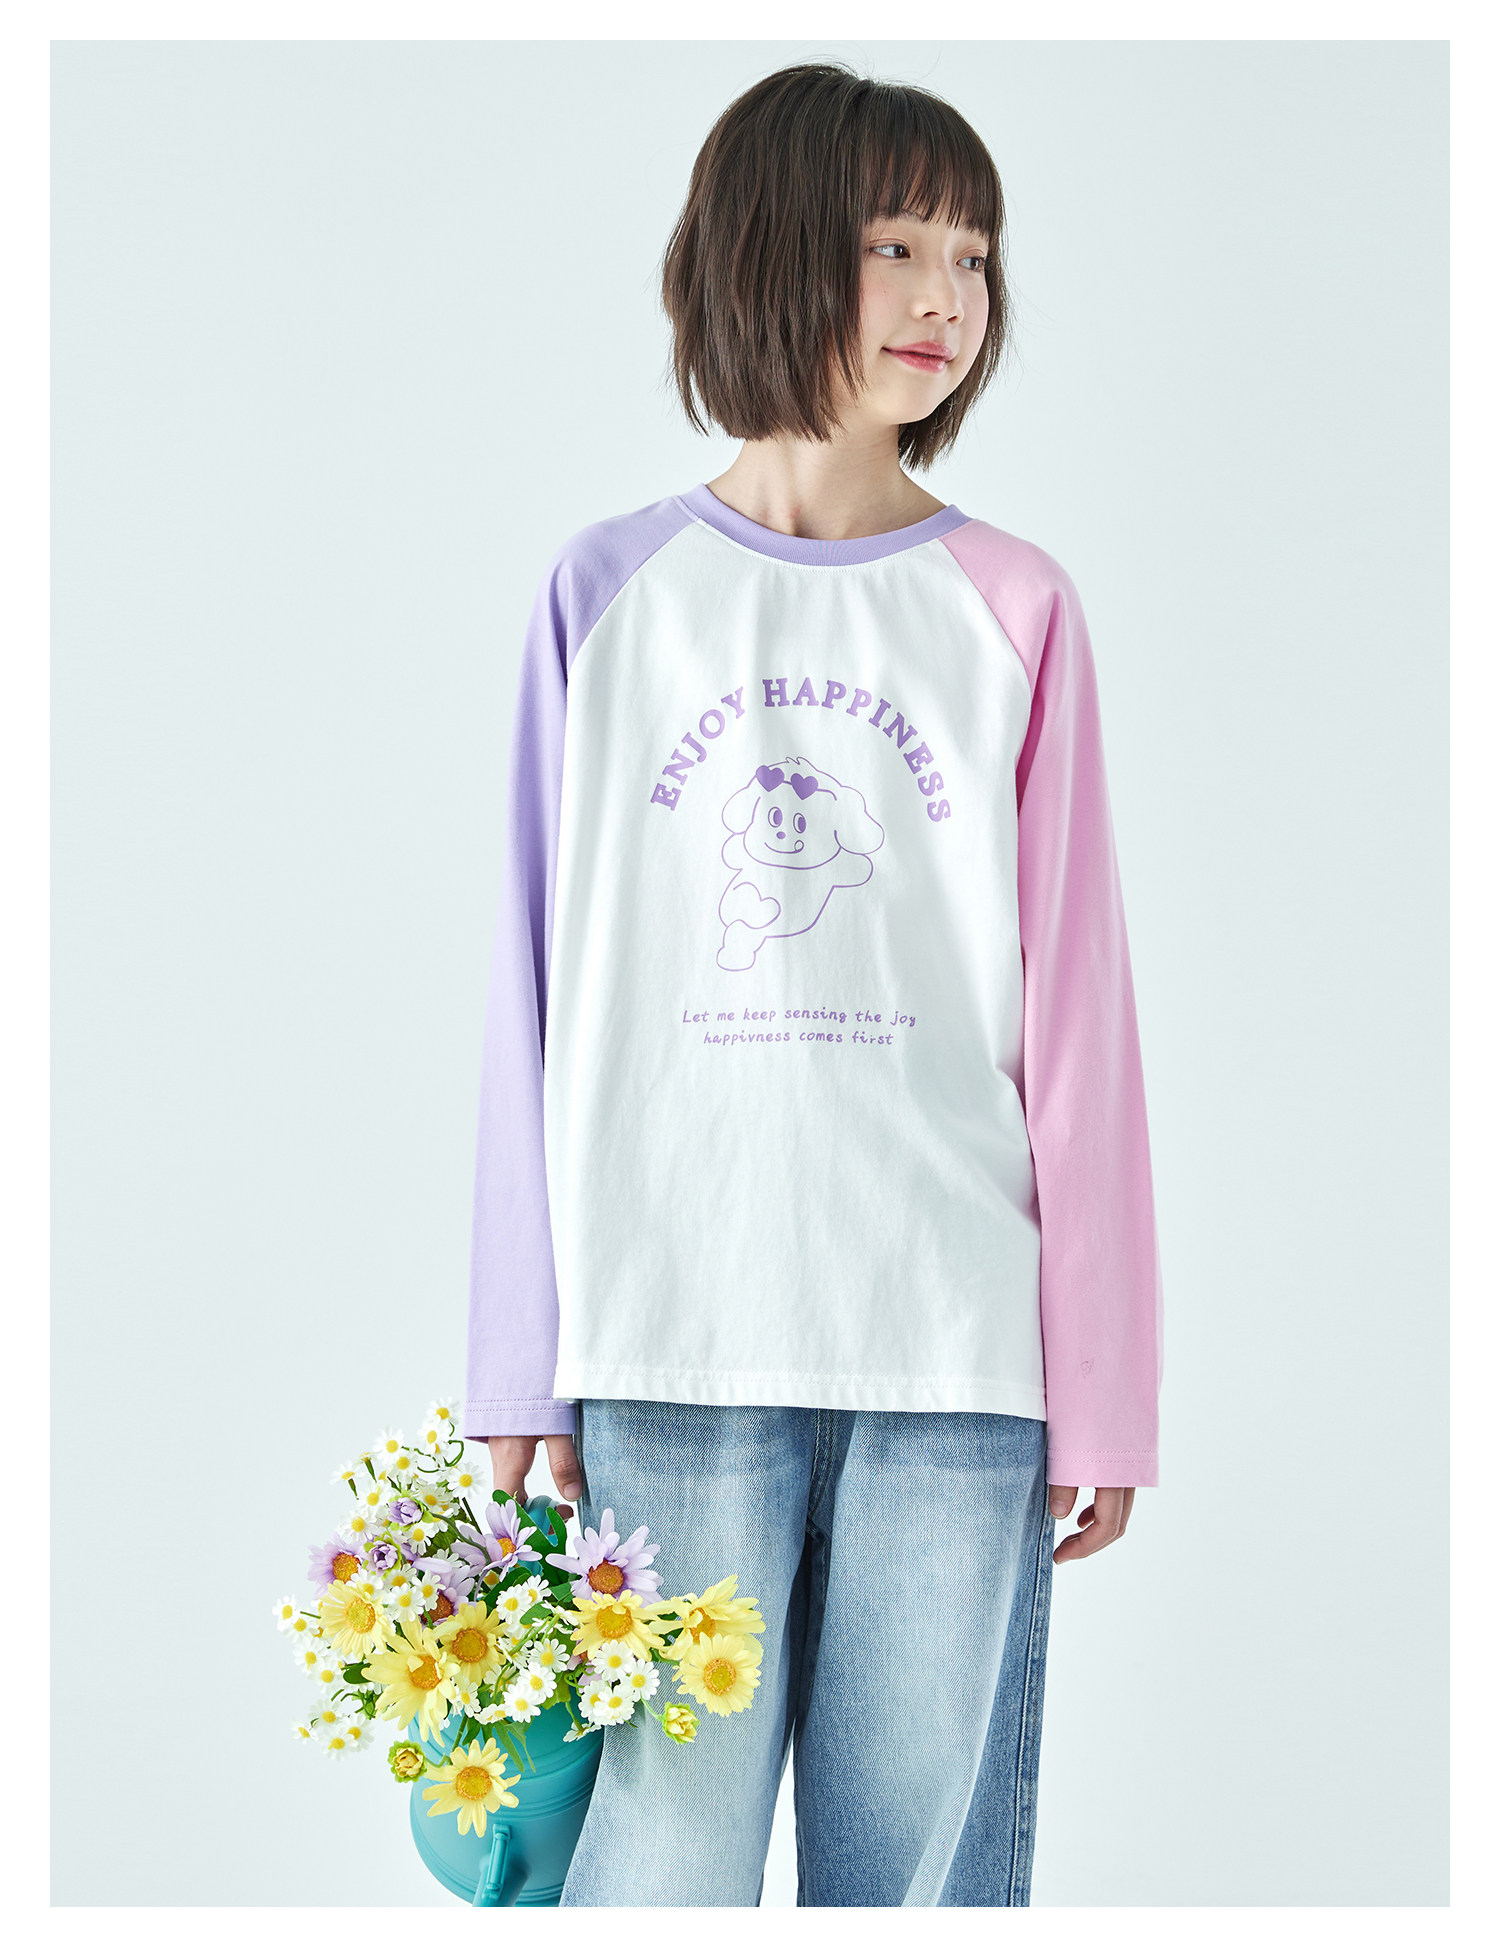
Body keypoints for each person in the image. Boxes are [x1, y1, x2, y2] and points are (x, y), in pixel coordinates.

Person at [462, 61, 1163, 1907]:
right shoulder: (608, 596)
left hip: (955, 1359)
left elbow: (1080, 1029)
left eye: (975, 255)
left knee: (920, 1887)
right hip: (669, 1341)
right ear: (772, 252)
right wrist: (516, 1358)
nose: (949, 297)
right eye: (896, 246)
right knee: (658, 1879)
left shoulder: (1015, 607)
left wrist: (1104, 1388)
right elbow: (528, 991)